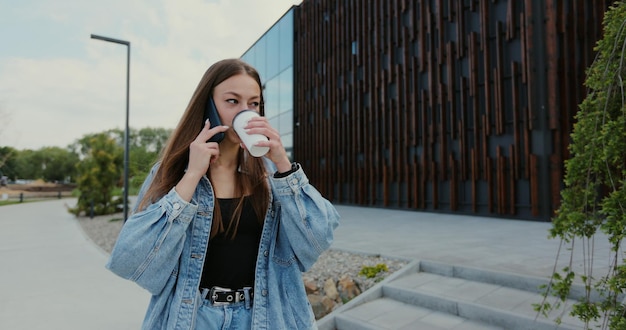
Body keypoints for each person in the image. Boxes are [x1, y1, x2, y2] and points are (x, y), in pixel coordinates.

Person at [106, 58, 340, 330]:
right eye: (232, 101)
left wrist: (284, 166)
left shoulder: (271, 176)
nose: (245, 112)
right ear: (209, 106)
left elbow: (318, 238)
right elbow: (130, 259)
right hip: (194, 317)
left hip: (264, 316)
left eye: (253, 104)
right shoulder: (172, 173)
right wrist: (191, 176)